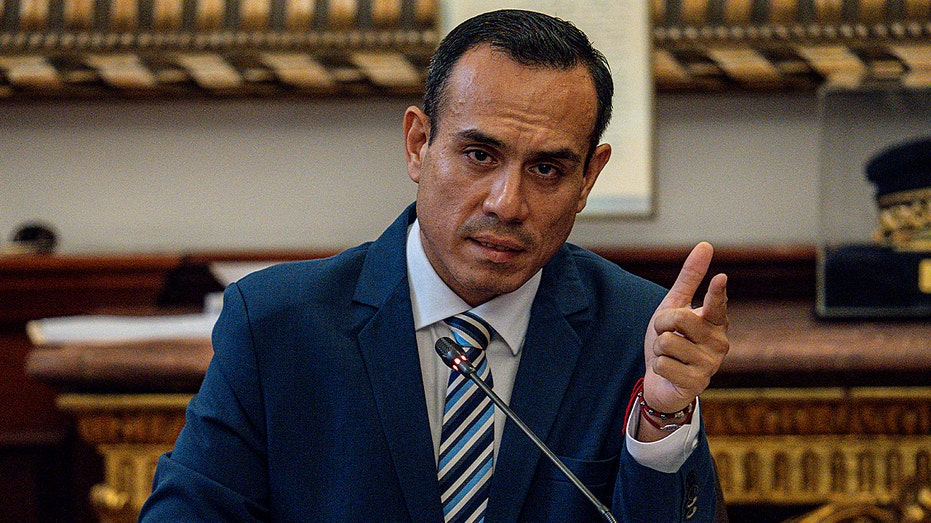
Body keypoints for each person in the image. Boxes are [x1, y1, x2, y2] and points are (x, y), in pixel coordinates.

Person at [139, 9, 729, 522]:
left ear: (588, 178)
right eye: (479, 155)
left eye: (547, 169)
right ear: (418, 144)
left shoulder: (637, 334)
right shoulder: (277, 324)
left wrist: (662, 421)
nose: (507, 204)